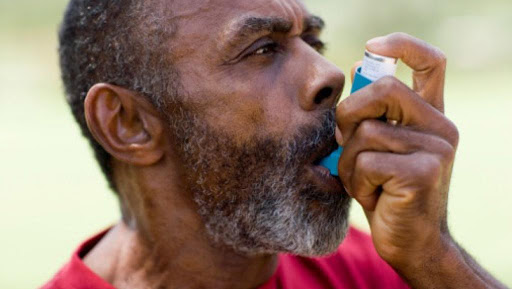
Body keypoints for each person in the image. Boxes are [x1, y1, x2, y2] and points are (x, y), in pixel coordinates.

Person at [41, 0, 508, 288]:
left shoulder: (380, 267)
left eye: (313, 40)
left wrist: (433, 256)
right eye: (262, 49)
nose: (328, 75)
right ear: (128, 124)